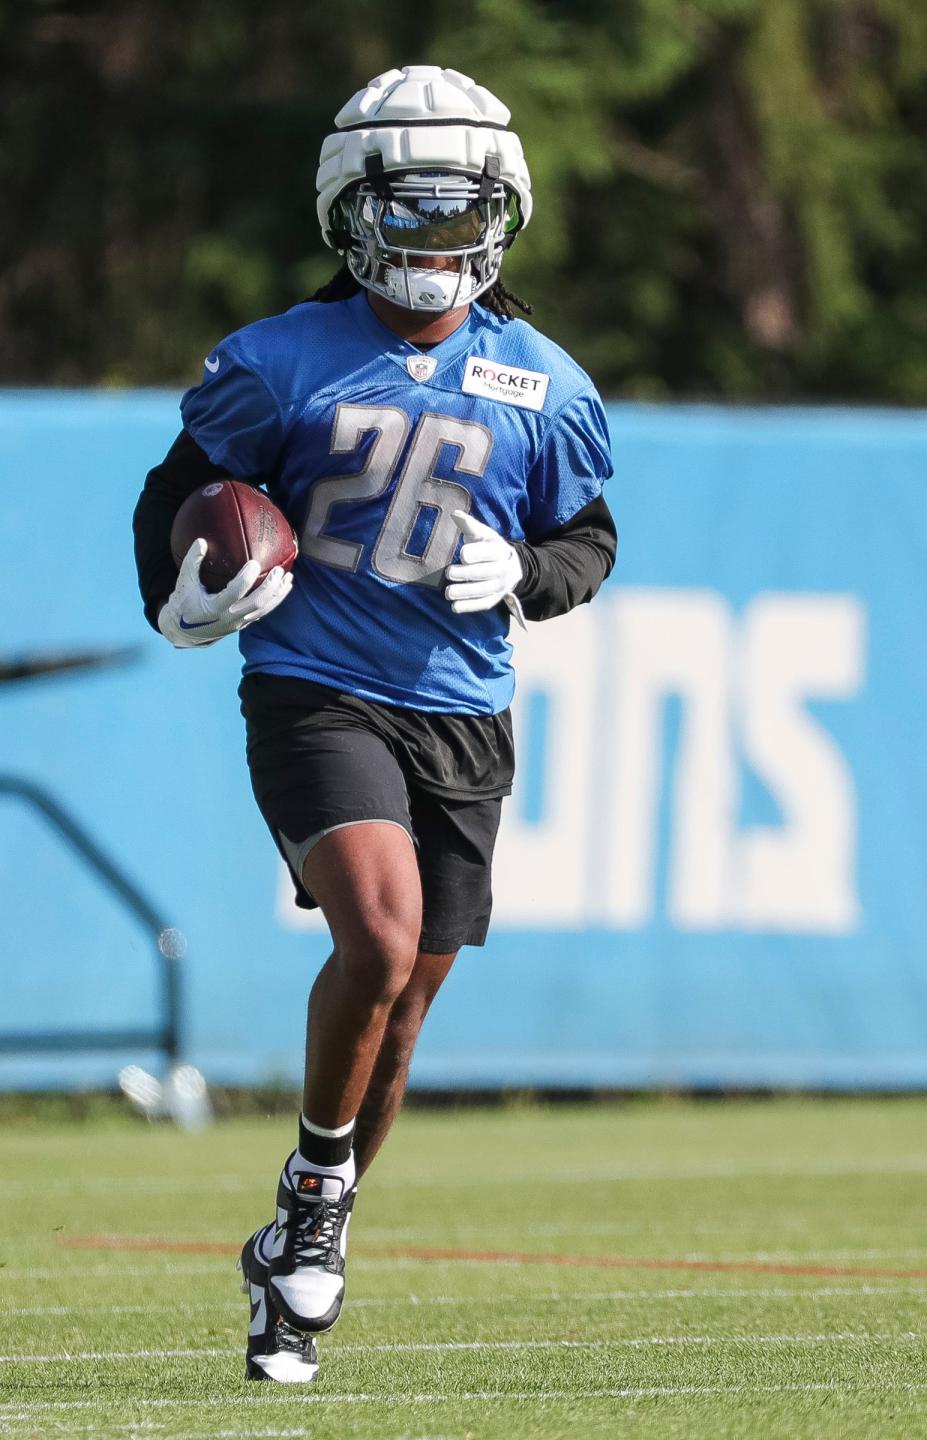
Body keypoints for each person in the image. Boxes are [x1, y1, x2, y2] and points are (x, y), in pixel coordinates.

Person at [133, 63, 617, 1384]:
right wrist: (180, 595)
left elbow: (587, 538)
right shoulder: (280, 363)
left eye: (466, 215)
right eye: (414, 213)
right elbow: (183, 491)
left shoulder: (545, 383)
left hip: (463, 707)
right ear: (353, 214)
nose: (441, 245)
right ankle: (321, 1206)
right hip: (318, 689)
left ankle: (305, 1221)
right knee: (381, 931)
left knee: (405, 1004)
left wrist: (527, 576)